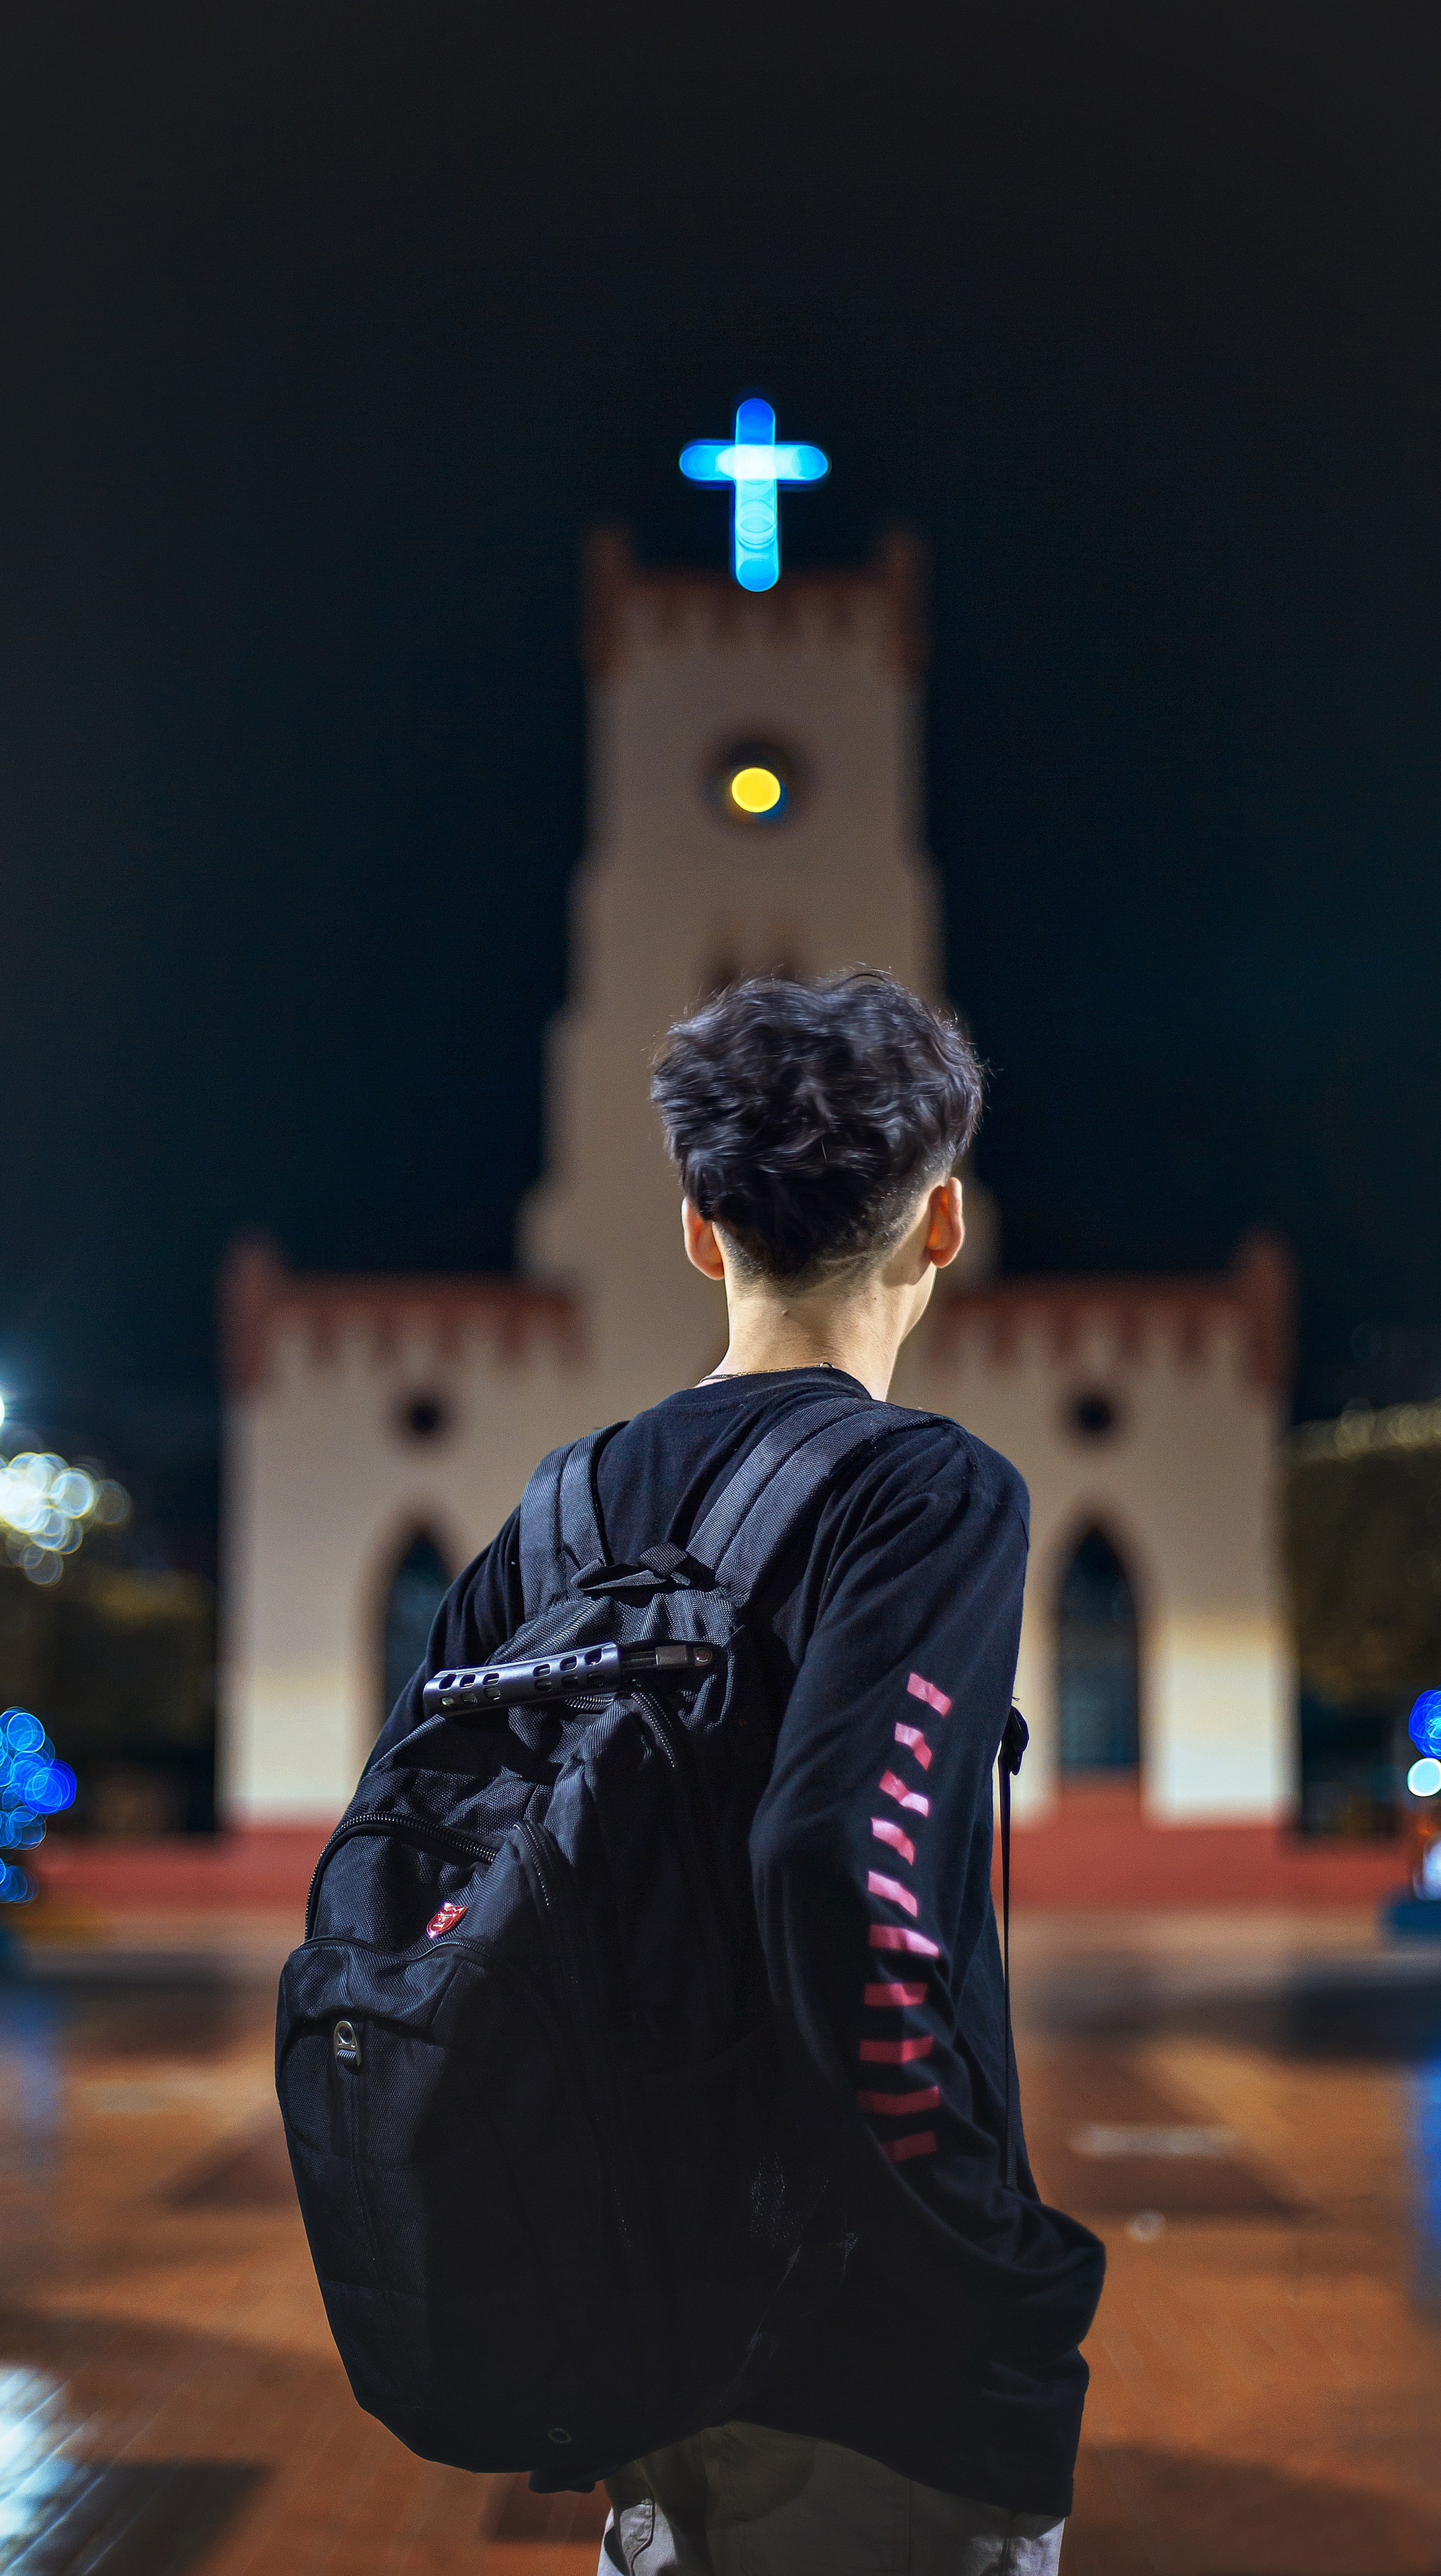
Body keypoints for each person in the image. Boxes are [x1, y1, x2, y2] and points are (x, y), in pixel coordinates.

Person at [394, 970, 1104, 2575]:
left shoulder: (559, 1509)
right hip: (873, 2359)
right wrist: (978, 2249)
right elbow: (835, 1862)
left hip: (634, 2325)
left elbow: (410, 1872)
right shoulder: (925, 1494)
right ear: (942, 1221)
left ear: (699, 1231)